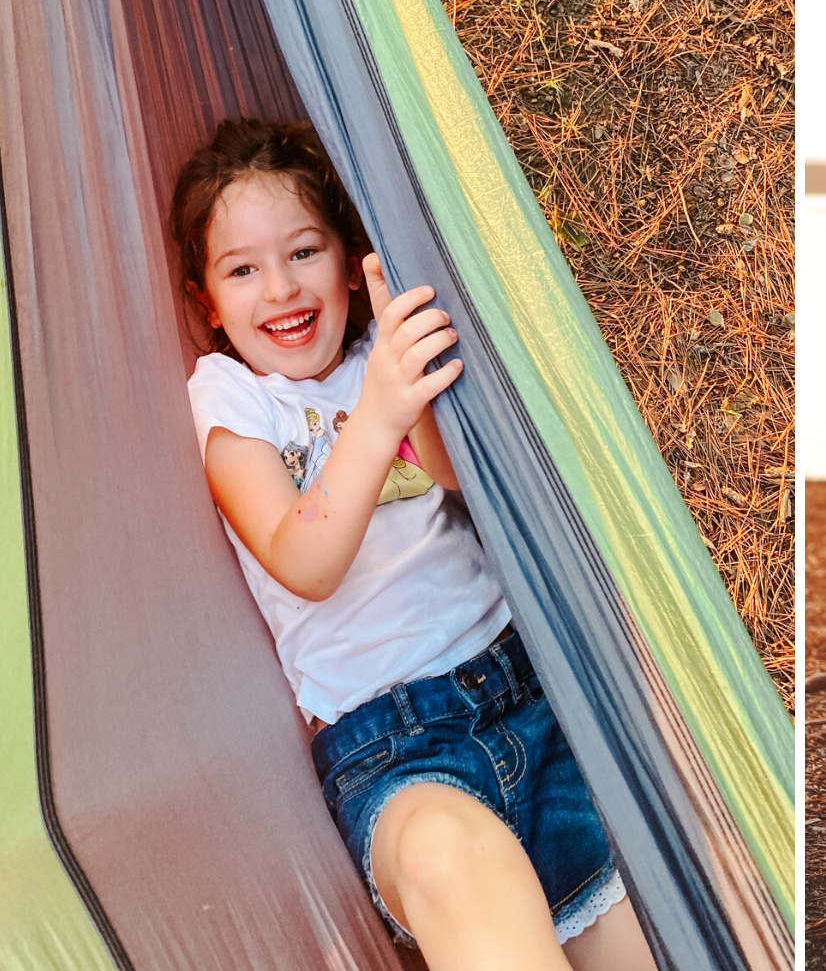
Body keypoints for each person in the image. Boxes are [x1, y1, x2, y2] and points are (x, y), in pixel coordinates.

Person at [171, 118, 658, 971]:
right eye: (243, 270)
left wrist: (406, 369)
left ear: (347, 265)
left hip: (531, 697)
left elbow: (460, 475)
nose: (280, 289)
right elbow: (301, 558)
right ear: (207, 301)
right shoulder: (233, 400)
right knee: (451, 865)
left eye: (304, 252)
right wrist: (379, 413)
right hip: (395, 749)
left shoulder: (383, 354)